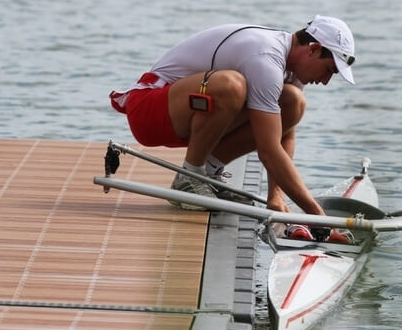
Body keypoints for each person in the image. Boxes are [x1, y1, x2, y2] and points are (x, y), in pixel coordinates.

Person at [109, 15, 356, 241]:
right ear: (313, 49)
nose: (325, 81)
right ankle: (189, 178)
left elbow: (284, 132)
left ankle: (207, 173)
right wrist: (318, 217)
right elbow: (268, 151)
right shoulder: (266, 57)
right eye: (329, 71)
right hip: (148, 111)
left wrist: (276, 198)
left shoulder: (291, 68)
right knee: (231, 85)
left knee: (293, 102)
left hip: (186, 115)